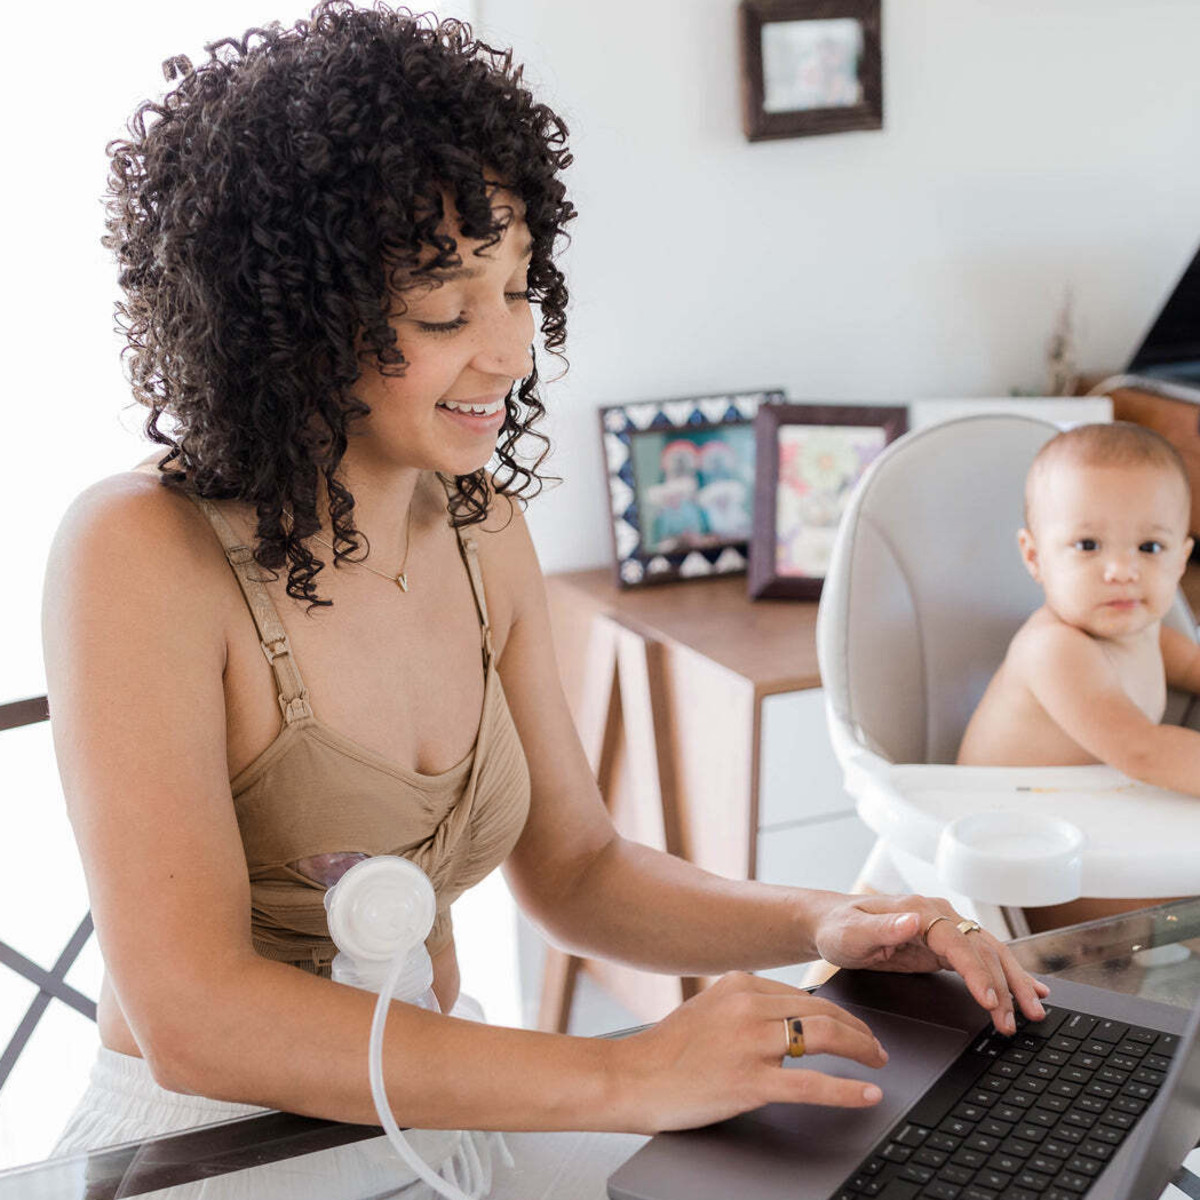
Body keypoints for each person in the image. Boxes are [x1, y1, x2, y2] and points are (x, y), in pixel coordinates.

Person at [42, 5, 1048, 1196]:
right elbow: (193, 1016)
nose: (513, 350)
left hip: (433, 1123)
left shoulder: (476, 528)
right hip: (209, 1145)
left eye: (521, 288)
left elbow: (575, 869)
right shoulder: (140, 550)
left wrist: (828, 920)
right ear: (293, 322)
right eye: (445, 311)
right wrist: (628, 1074)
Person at [957, 422, 1200, 930]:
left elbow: (1192, 667)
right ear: (1034, 556)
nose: (1121, 570)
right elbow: (1143, 750)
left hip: (1102, 831)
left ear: (1181, 559)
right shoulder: (1055, 649)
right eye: (1089, 545)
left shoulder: (1142, 627)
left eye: (1149, 548)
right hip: (1032, 872)